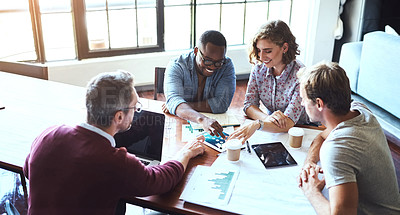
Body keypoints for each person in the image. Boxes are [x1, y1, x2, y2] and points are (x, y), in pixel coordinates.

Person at [23, 70, 205, 215]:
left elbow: (27, 169)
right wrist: (186, 152)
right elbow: (160, 181)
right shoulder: (115, 163)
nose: (137, 112)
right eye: (136, 107)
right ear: (119, 116)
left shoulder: (48, 135)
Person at [297, 62, 400, 214]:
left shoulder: (337, 148)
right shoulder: (360, 110)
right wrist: (310, 162)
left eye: (304, 99)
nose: (302, 103)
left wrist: (311, 191)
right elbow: (322, 136)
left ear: (319, 103)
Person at [228, 20, 309, 143]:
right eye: (259, 50)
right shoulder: (259, 67)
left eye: (267, 51)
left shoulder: (301, 75)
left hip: (302, 130)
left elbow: (288, 122)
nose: (261, 57)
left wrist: (258, 124)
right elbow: (249, 105)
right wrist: (267, 118)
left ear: (284, 47)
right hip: (272, 129)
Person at [163, 30, 236, 139]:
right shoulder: (176, 66)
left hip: (209, 127)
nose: (212, 67)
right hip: (179, 125)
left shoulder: (226, 65)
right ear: (196, 51)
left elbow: (221, 104)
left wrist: (181, 107)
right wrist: (202, 119)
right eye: (207, 61)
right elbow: (174, 100)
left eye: (218, 62)